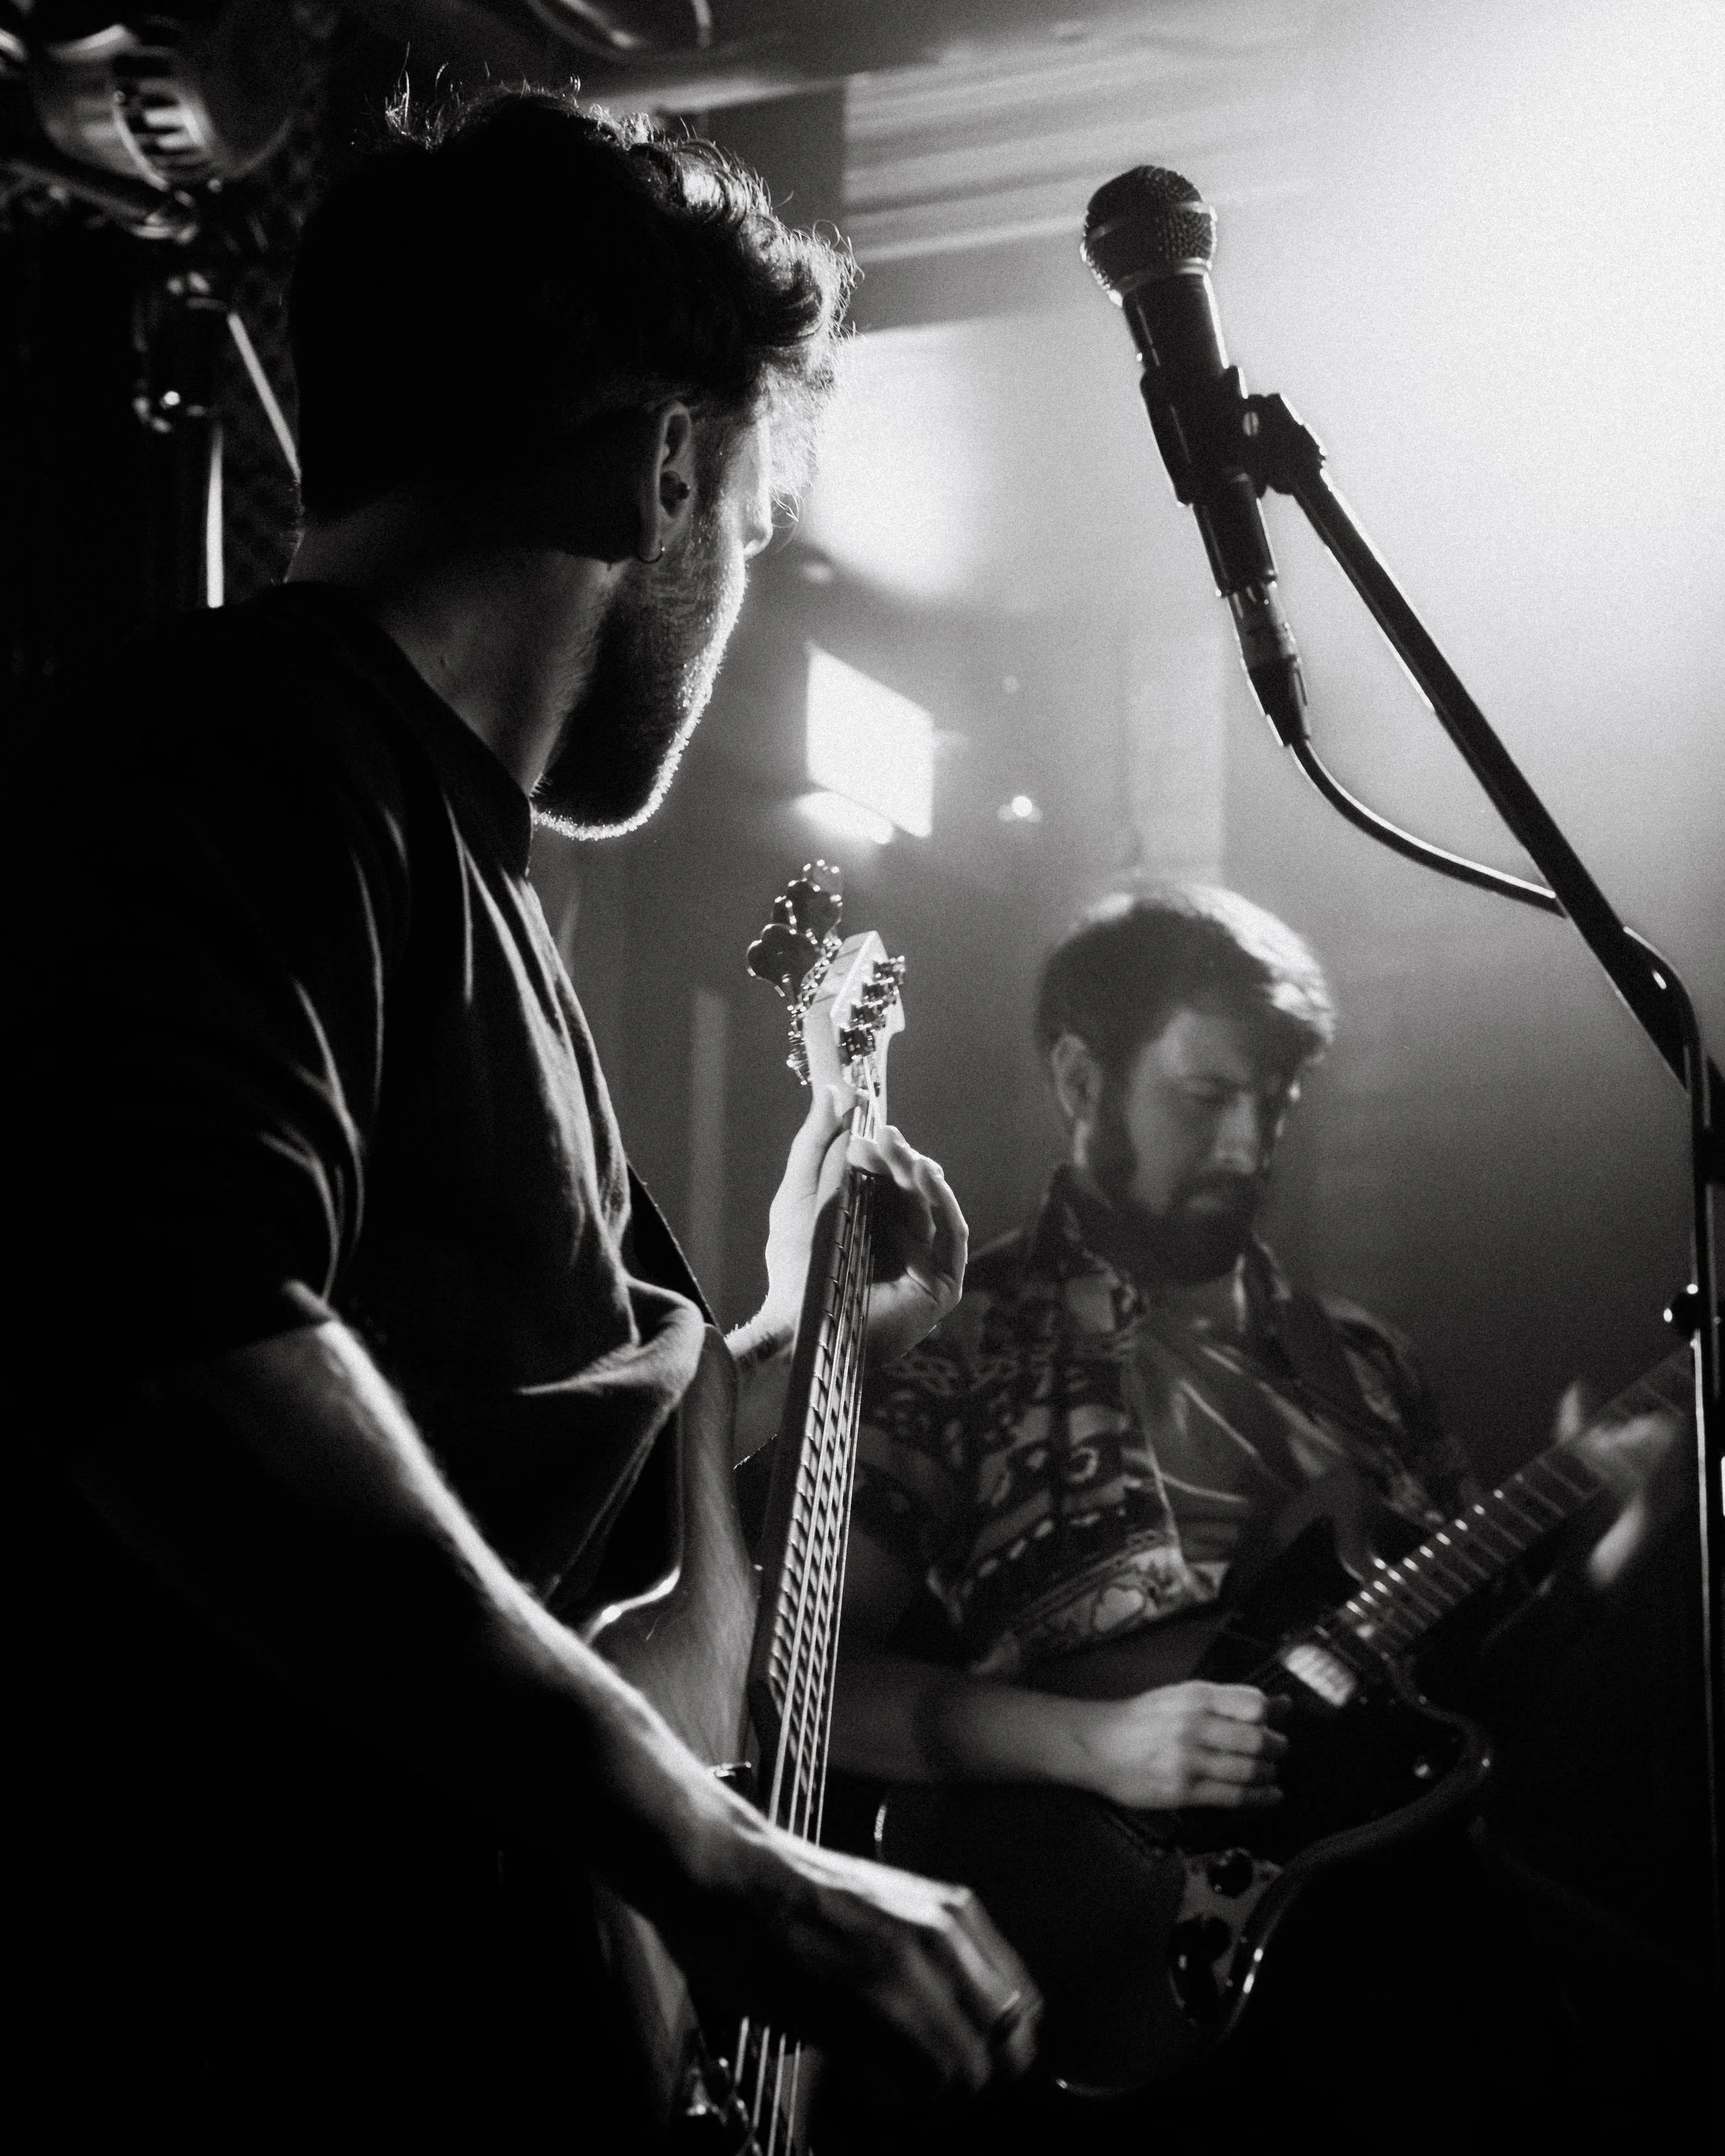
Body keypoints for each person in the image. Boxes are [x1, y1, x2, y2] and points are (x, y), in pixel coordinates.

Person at [12, 89, 1036, 2144]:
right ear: (664, 465)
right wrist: (725, 1860)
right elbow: (173, 1341)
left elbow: (477, 1462)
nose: (737, 582)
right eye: (745, 523)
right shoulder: (243, 756)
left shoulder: (456, 861)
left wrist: (765, 1345)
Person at [831, 884, 1687, 2146]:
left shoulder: (1363, 1364)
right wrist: (1096, 1748)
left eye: (1275, 1100)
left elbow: (1455, 1720)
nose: (1249, 1142)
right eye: (1205, 1096)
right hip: (1093, 1989)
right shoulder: (957, 1340)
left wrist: (1601, 1556)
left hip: (1391, 1988)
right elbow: (815, 1690)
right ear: (1079, 1079)